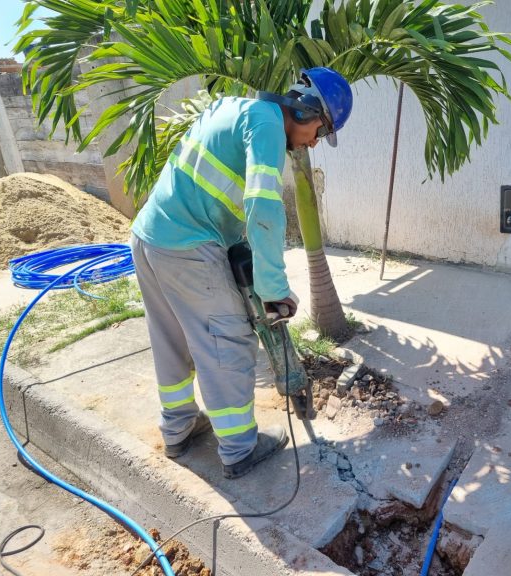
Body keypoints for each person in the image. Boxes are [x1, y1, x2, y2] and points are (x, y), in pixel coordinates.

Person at [130, 67, 353, 479]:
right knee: (226, 340)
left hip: (150, 237)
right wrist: (272, 289)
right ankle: (239, 449)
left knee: (171, 339)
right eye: (320, 131)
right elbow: (264, 208)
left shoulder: (233, 107)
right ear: (306, 111)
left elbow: (217, 192)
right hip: (188, 248)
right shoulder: (268, 126)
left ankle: (178, 429)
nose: (314, 142)